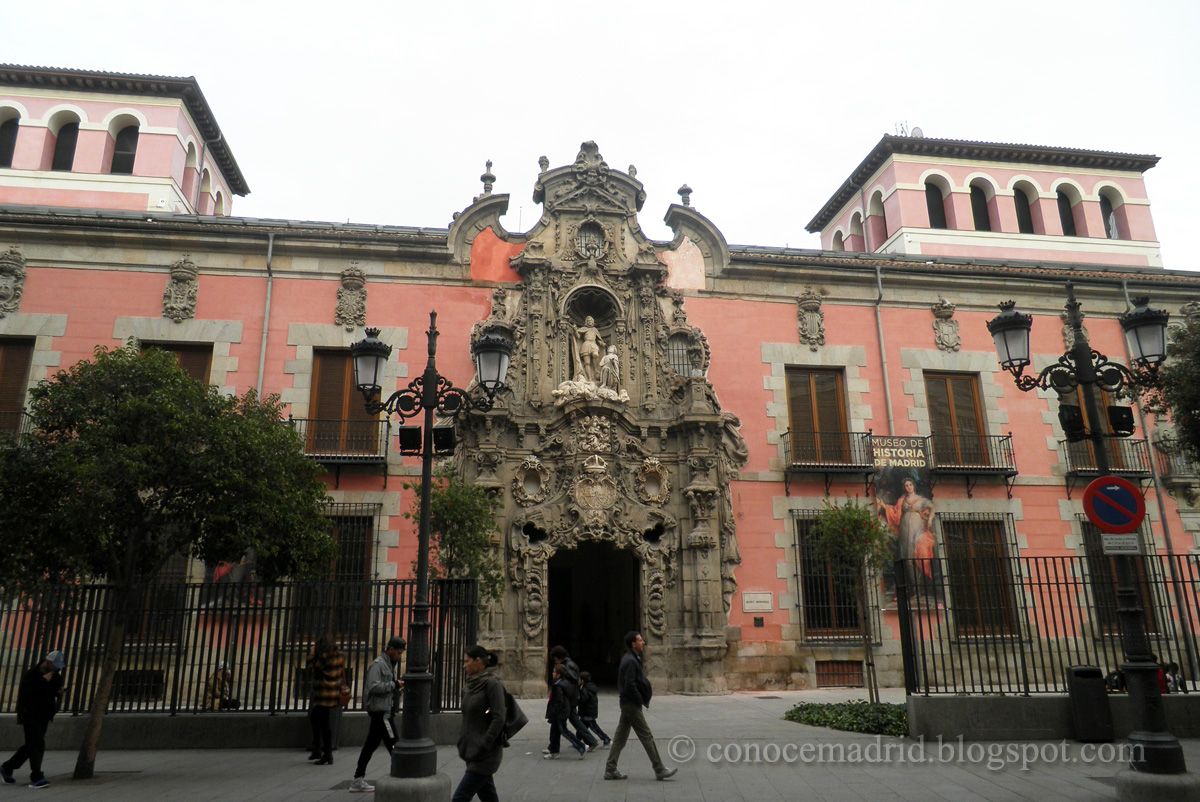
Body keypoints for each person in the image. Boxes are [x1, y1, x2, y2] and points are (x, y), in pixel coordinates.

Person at [604, 632, 676, 781]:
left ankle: (610, 769)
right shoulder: (630, 660)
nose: (643, 642)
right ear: (633, 644)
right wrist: (640, 699)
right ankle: (659, 769)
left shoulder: (631, 658)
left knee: (620, 737)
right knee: (646, 735)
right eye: (640, 640)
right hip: (631, 704)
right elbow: (630, 684)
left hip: (627, 703)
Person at [1, 650, 66, 789]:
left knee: (31, 745)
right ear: (48, 662)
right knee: (38, 744)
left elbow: (54, 690)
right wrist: (43, 681)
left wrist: (59, 692)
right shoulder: (31, 675)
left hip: (45, 715)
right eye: (54, 666)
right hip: (30, 714)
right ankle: (36, 776)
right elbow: (28, 693)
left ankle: (7, 767)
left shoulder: (55, 676)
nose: (56, 669)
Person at [349, 636, 405, 793]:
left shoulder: (388, 664)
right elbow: (373, 687)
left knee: (370, 745)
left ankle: (358, 779)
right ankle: (402, 776)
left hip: (384, 711)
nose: (399, 656)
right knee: (394, 744)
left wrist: (396, 687)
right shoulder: (378, 665)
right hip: (381, 714)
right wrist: (393, 684)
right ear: (390, 649)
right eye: (398, 653)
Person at [453, 645, 506, 802]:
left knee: (460, 798)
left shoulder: (492, 684)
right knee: (488, 796)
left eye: (467, 661)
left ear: (478, 661)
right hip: (471, 751)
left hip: (485, 754)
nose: (464, 665)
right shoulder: (470, 685)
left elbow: (499, 717)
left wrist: (485, 742)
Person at [547, 645, 596, 750]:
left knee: (564, 724)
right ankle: (590, 741)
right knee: (570, 721)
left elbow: (572, 682)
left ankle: (586, 743)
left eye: (555, 658)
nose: (555, 661)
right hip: (568, 699)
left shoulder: (568, 665)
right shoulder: (568, 664)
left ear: (559, 656)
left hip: (568, 700)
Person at [307, 635, 345, 766]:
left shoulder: (324, 657)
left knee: (323, 723)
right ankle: (318, 749)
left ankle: (326, 753)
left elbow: (314, 667)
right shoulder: (339, 655)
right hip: (333, 692)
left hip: (324, 692)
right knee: (318, 718)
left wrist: (312, 654)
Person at [544, 665, 587, 760]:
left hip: (559, 713)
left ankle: (581, 747)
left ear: (558, 674)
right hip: (564, 711)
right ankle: (554, 752)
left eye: (554, 672)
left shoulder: (558, 685)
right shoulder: (565, 683)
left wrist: (553, 713)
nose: (552, 673)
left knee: (564, 731)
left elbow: (558, 701)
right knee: (554, 732)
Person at [577, 671, 610, 747]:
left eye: (579, 679)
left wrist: (579, 692)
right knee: (581, 726)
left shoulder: (585, 689)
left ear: (582, 680)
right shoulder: (590, 686)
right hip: (589, 711)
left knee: (594, 728)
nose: (578, 681)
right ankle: (577, 740)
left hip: (588, 713)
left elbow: (583, 700)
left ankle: (606, 739)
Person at [573, 315, 604, 382]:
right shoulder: (583, 329)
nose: (590, 322)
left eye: (591, 321)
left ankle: (596, 369)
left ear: (593, 322)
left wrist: (602, 343)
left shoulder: (595, 330)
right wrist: (575, 330)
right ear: (586, 322)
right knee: (587, 362)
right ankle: (589, 378)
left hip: (593, 344)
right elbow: (578, 337)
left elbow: (598, 339)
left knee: (595, 354)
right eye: (589, 321)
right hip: (586, 345)